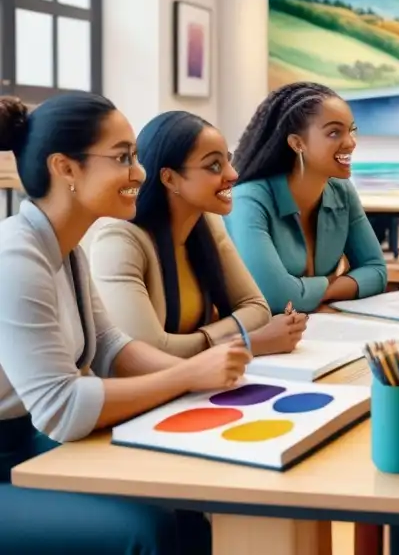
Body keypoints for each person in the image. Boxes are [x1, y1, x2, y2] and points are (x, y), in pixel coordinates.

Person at [0, 94, 251, 554]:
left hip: (23, 443)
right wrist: (187, 375)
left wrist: (206, 382)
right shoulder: (16, 256)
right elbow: (61, 407)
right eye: (122, 158)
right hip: (16, 452)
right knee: (148, 530)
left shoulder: (66, 247)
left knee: (185, 499)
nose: (140, 172)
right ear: (66, 168)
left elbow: (112, 345)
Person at [90, 111, 307, 358]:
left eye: (228, 160)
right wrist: (247, 343)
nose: (233, 174)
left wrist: (209, 342)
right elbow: (149, 351)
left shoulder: (207, 224)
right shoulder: (119, 242)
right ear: (169, 178)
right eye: (214, 165)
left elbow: (257, 310)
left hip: (196, 384)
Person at [225, 82, 388, 313]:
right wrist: (335, 284)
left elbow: (377, 271)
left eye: (351, 130)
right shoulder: (247, 201)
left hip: (319, 330)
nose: (351, 143)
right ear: (297, 143)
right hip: (261, 341)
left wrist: (315, 294)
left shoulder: (342, 190)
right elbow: (278, 298)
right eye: (334, 132)